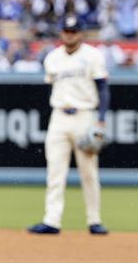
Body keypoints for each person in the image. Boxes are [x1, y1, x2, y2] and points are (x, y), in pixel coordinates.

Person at [28, 15, 110, 236]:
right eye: (66, 31)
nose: (69, 34)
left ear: (81, 34)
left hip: (84, 115)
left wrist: (101, 118)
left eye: (73, 31)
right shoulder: (53, 58)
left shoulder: (93, 56)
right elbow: (51, 87)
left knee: (89, 172)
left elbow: (103, 88)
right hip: (59, 117)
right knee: (55, 171)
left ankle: (94, 220)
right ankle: (51, 221)